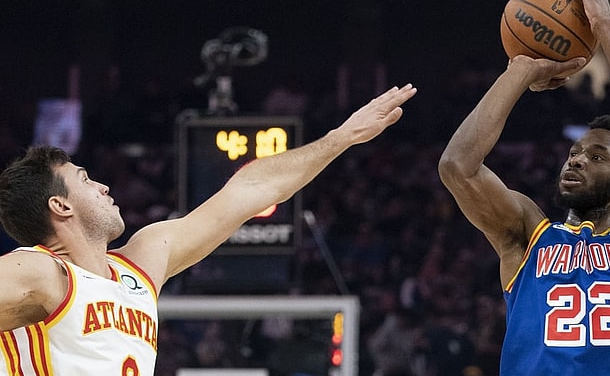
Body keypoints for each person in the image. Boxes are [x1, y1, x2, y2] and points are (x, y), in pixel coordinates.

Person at [0, 84, 416, 375]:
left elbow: (251, 189)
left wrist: (340, 138)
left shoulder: (142, 262)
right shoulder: (39, 272)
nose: (104, 186)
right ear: (60, 205)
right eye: (86, 179)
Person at [438, 0, 610, 375]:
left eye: (596, 156)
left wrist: (605, 27)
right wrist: (519, 71)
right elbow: (457, 166)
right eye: (574, 152)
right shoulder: (526, 235)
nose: (575, 159)